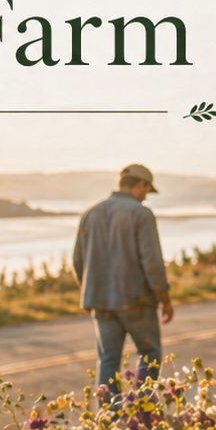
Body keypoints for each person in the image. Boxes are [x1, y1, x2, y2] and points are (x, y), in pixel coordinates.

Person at [72, 163, 174, 393]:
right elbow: (152, 263)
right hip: (136, 300)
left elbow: (78, 261)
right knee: (150, 354)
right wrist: (164, 298)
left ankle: (109, 420)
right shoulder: (141, 214)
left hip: (100, 302)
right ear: (141, 185)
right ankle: (140, 414)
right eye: (147, 191)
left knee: (108, 360)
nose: (146, 197)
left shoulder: (91, 213)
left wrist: (89, 293)